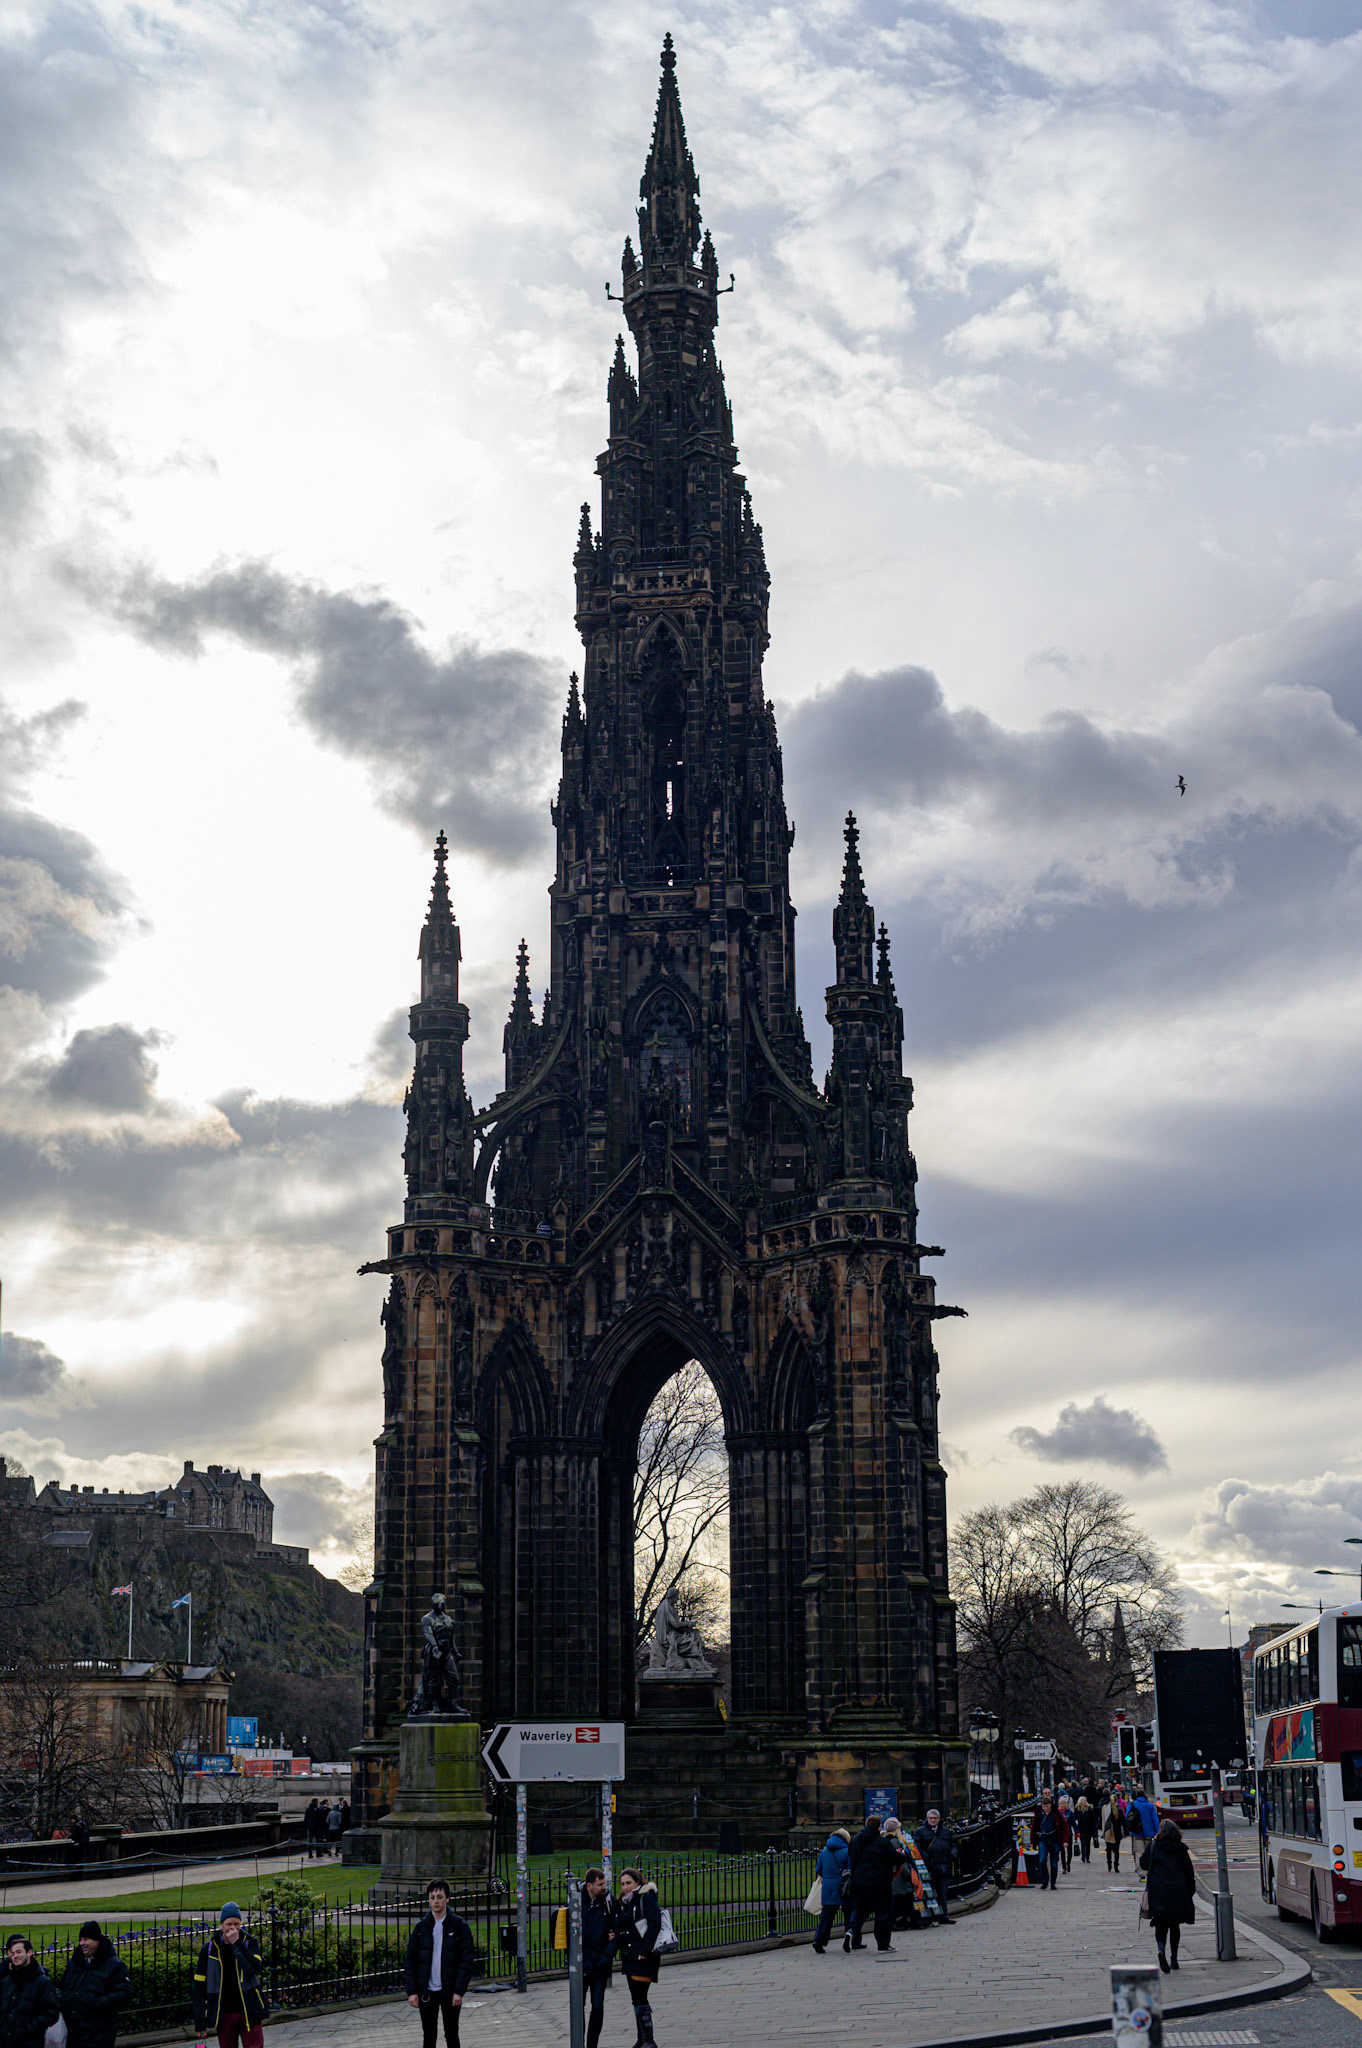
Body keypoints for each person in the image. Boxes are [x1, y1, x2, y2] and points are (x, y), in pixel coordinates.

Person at [404, 1878, 474, 2048]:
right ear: (428, 1899)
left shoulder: (459, 1926)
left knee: (451, 2034)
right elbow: (410, 1961)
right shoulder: (420, 1928)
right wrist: (412, 1992)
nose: (436, 1901)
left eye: (440, 1897)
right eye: (433, 1897)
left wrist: (459, 1991)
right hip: (427, 1991)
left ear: (447, 1899)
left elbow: (466, 1961)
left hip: (449, 1991)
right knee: (429, 2035)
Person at [193, 1904, 267, 2048]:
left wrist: (237, 1944)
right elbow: (198, 1987)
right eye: (229, 1924)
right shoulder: (209, 1949)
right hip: (224, 2013)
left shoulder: (249, 1942)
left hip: (249, 2009)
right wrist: (200, 2021)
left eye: (236, 1924)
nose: (232, 1928)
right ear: (221, 1925)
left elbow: (253, 1969)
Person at [59, 1922, 132, 2048]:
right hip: (73, 2032)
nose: (82, 1943)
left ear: (97, 1941)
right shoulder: (74, 1963)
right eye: (80, 1939)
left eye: (86, 1939)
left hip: (98, 2034)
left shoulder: (113, 1965)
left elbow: (125, 1994)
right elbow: (63, 1987)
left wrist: (96, 2003)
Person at [1140, 1817, 1197, 1973]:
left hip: (1158, 1891)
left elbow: (1143, 1863)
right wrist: (1190, 1891)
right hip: (1177, 1891)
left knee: (1161, 1924)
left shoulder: (1154, 1846)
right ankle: (1174, 1958)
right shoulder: (1181, 1848)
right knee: (1175, 1925)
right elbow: (1189, 1872)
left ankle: (1160, 1949)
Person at [615, 1868, 662, 2048]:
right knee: (637, 1998)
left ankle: (648, 2041)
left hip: (643, 1956)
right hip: (630, 1957)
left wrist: (645, 1949)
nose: (626, 1887)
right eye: (623, 1884)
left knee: (640, 1997)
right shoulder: (626, 1902)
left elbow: (654, 1923)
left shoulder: (645, 1897)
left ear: (637, 1882)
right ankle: (642, 2039)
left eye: (629, 1883)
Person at [846, 1815, 905, 1953]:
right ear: (879, 1827)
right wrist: (903, 1855)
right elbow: (895, 1857)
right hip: (880, 1883)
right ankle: (883, 1944)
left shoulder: (854, 1841)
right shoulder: (881, 1842)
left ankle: (851, 1930)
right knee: (883, 1913)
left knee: (860, 1910)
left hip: (859, 1882)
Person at [579, 1868, 618, 2048]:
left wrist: (606, 1957)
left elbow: (617, 1932)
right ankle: (579, 2040)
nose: (604, 1887)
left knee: (597, 2006)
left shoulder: (608, 1902)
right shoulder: (577, 1903)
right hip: (581, 1964)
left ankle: (592, 2045)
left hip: (600, 1964)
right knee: (578, 2007)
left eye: (604, 1884)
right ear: (589, 1886)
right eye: (599, 1884)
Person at [0, 1934, 61, 2047]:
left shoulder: (42, 1982)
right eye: (12, 1953)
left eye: (19, 1952)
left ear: (29, 1952)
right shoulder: (7, 1981)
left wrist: (29, 2028)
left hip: (29, 2043)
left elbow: (51, 2012)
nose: (15, 1956)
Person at [811, 1828, 851, 1954]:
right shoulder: (847, 1851)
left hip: (828, 1886)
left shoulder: (824, 1852)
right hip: (844, 1886)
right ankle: (849, 1936)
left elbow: (818, 1869)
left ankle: (819, 1940)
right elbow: (851, 1869)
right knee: (848, 1912)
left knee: (827, 1915)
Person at [913, 1808, 955, 1923]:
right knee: (930, 1893)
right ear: (927, 1819)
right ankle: (931, 1916)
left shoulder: (946, 1831)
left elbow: (953, 1844)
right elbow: (918, 1848)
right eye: (930, 1818)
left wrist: (952, 1855)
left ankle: (944, 1915)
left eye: (935, 1818)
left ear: (939, 1819)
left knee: (943, 1892)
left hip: (944, 1865)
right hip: (930, 1867)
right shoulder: (920, 1832)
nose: (932, 1820)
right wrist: (928, 1860)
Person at [1029, 1787, 1069, 1890]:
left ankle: (1053, 1883)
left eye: (1047, 1806)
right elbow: (1034, 1828)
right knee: (1042, 1860)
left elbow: (1065, 1827)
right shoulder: (1039, 1814)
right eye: (1044, 1806)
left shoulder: (1056, 1814)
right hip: (1043, 1839)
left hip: (1054, 1840)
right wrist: (1033, 1842)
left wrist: (1065, 1840)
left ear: (1050, 1805)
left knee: (1054, 1863)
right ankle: (1045, 1881)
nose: (1045, 1808)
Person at [1101, 1789, 1126, 1872]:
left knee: (1108, 1849)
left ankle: (1109, 1864)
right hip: (1117, 1832)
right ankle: (1116, 1865)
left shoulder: (1105, 1809)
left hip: (1108, 1831)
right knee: (1116, 1850)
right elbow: (1123, 1822)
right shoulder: (1118, 1810)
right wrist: (1126, 1832)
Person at [1074, 1796, 1098, 1865]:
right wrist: (1076, 1829)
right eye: (1083, 1800)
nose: (1085, 1801)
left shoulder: (1090, 1809)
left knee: (1088, 1844)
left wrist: (1094, 1830)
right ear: (1080, 1801)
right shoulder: (1077, 1809)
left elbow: (1093, 1820)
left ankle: (1088, 1857)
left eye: (1085, 1800)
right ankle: (1083, 1856)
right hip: (1081, 1829)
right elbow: (1075, 1819)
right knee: (1083, 1843)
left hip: (1089, 1829)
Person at [1057, 1790, 1074, 1873]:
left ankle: (1068, 1863)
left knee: (1070, 1851)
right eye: (1061, 1804)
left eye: (1064, 1804)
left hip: (1068, 1833)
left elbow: (1073, 1823)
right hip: (1060, 1834)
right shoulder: (1057, 1812)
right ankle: (1064, 1867)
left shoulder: (1069, 1812)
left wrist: (1077, 1832)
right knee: (1062, 1851)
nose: (1062, 1805)